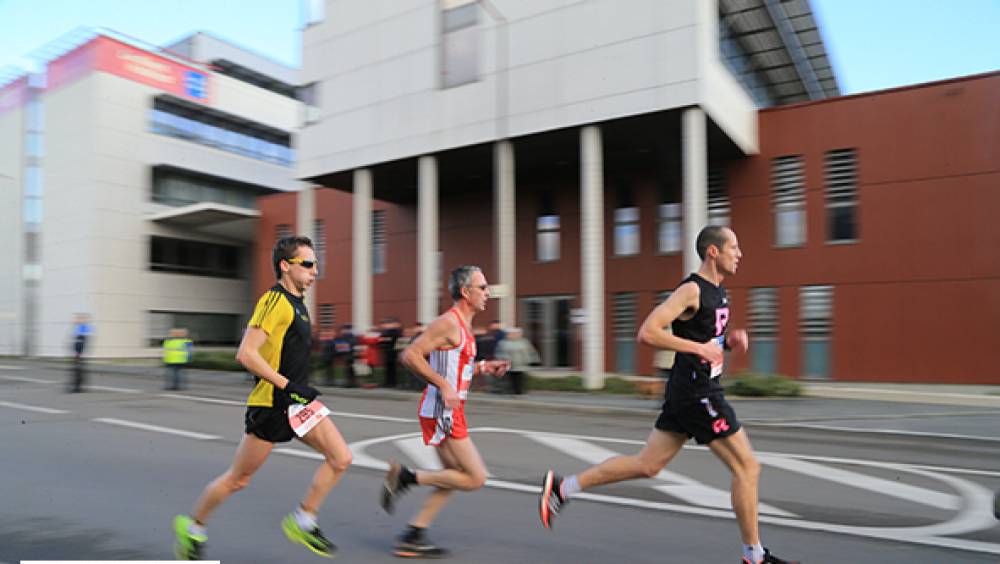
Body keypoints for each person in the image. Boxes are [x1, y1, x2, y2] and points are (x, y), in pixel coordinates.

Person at [538, 226, 799, 564]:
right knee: (747, 466)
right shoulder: (691, 289)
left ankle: (562, 488)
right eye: (734, 246)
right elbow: (647, 332)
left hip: (689, 390)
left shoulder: (719, 293)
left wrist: (726, 344)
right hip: (697, 392)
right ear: (713, 252)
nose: (740, 253)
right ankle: (754, 557)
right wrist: (699, 348)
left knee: (647, 466)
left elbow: (706, 344)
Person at [172, 236, 352, 560]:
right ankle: (193, 527)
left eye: (316, 264)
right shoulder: (274, 301)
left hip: (298, 403)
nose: (315, 271)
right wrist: (287, 386)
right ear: (285, 266)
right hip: (272, 403)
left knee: (341, 458)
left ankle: (303, 519)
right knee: (238, 479)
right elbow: (246, 353)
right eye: (308, 264)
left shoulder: (299, 304)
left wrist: (297, 390)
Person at [379, 266, 510, 558]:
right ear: (466, 292)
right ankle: (406, 478)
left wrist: (484, 367)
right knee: (475, 478)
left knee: (453, 476)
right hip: (444, 411)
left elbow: (455, 366)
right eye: (483, 287)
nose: (488, 293)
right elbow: (410, 354)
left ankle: (413, 534)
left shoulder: (463, 326)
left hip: (446, 408)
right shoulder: (449, 322)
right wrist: (443, 386)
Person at [494, 327, 539, 395]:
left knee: (520, 379)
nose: (513, 335)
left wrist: (533, 360)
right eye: (511, 334)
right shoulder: (503, 343)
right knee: (510, 379)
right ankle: (510, 390)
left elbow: (530, 352)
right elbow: (500, 353)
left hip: (521, 365)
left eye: (516, 334)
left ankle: (519, 391)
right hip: (509, 365)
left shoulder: (524, 342)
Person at [68, 313, 93, 393]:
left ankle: (78, 387)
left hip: (79, 353)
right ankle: (78, 386)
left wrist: (79, 353)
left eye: (79, 319)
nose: (76, 320)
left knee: (78, 370)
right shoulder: (80, 328)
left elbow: (81, 342)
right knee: (78, 371)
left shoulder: (83, 328)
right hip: (78, 353)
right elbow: (76, 341)